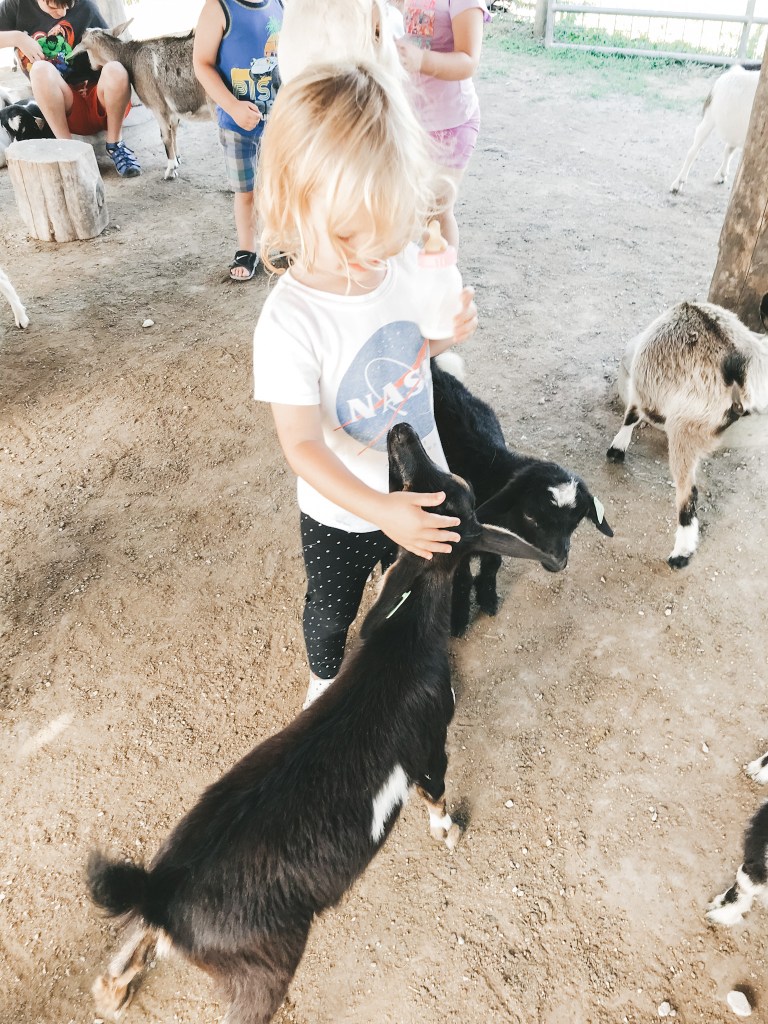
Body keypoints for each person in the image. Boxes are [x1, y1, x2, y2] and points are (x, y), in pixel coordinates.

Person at [252, 64, 478, 707]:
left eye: (386, 234)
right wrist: (377, 510)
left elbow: (413, 348)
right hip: (340, 510)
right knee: (330, 609)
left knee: (409, 595)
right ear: (295, 203)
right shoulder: (290, 322)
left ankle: (405, 666)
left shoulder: (395, 260)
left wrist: (446, 335)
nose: (374, 255)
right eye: (353, 237)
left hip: (416, 478)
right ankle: (324, 678)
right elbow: (300, 445)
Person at [193, 0, 282, 282]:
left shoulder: (279, 3)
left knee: (280, 185)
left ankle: (280, 240)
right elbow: (202, 64)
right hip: (237, 125)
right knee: (246, 192)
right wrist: (232, 106)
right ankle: (247, 248)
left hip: (278, 121)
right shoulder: (218, 8)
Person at [0, 0, 140, 176]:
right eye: (54, 7)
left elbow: (112, 50)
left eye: (68, 6)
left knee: (116, 68)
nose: (63, 13)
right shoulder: (17, 5)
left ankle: (115, 144)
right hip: (66, 105)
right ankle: (68, 150)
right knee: (40, 69)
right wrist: (18, 38)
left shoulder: (86, 6)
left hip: (102, 100)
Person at [396, 0, 490, 251]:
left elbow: (469, 59)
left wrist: (422, 59)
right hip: (400, 119)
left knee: (435, 213)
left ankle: (441, 285)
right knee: (393, 212)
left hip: (449, 124)